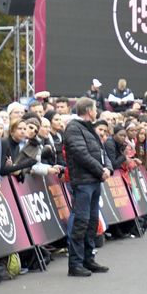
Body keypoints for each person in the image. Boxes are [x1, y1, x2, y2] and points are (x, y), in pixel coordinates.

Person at [64, 97, 112, 277]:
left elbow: (102, 152)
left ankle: (88, 259)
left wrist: (108, 168)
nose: (97, 111)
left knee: (92, 222)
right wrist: (101, 170)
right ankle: (75, 264)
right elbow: (81, 154)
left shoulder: (90, 128)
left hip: (94, 181)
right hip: (83, 182)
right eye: (95, 108)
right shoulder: (74, 128)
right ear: (88, 110)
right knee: (81, 222)